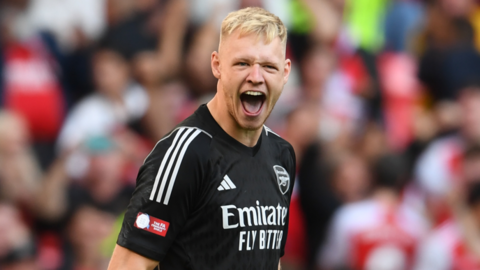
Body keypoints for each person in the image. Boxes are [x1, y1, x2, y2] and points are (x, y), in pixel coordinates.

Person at [107, 6, 294, 270]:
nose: (256, 77)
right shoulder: (186, 152)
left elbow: (270, 260)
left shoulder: (281, 154)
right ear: (217, 65)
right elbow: (127, 266)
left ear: (285, 72)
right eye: (242, 63)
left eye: (268, 66)